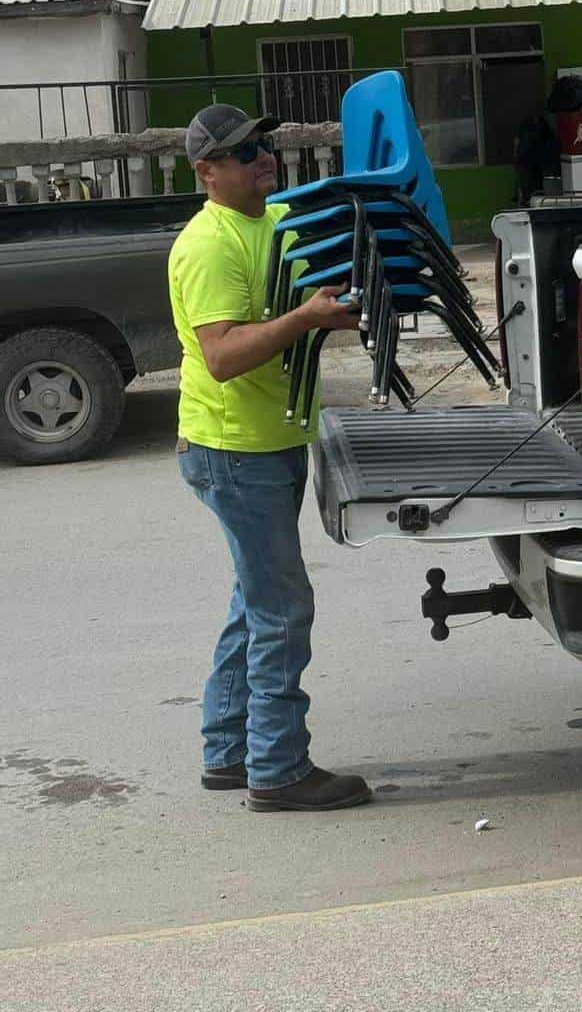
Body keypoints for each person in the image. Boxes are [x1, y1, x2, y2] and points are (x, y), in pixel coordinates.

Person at [168, 104, 371, 813]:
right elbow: (222, 355)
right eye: (245, 150)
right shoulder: (209, 245)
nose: (264, 157)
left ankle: (228, 752)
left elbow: (300, 299)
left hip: (270, 441)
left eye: (267, 144)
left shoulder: (271, 222)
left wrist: (332, 307)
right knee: (282, 608)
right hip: (233, 449)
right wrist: (304, 320)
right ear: (207, 170)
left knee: (252, 600)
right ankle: (278, 770)